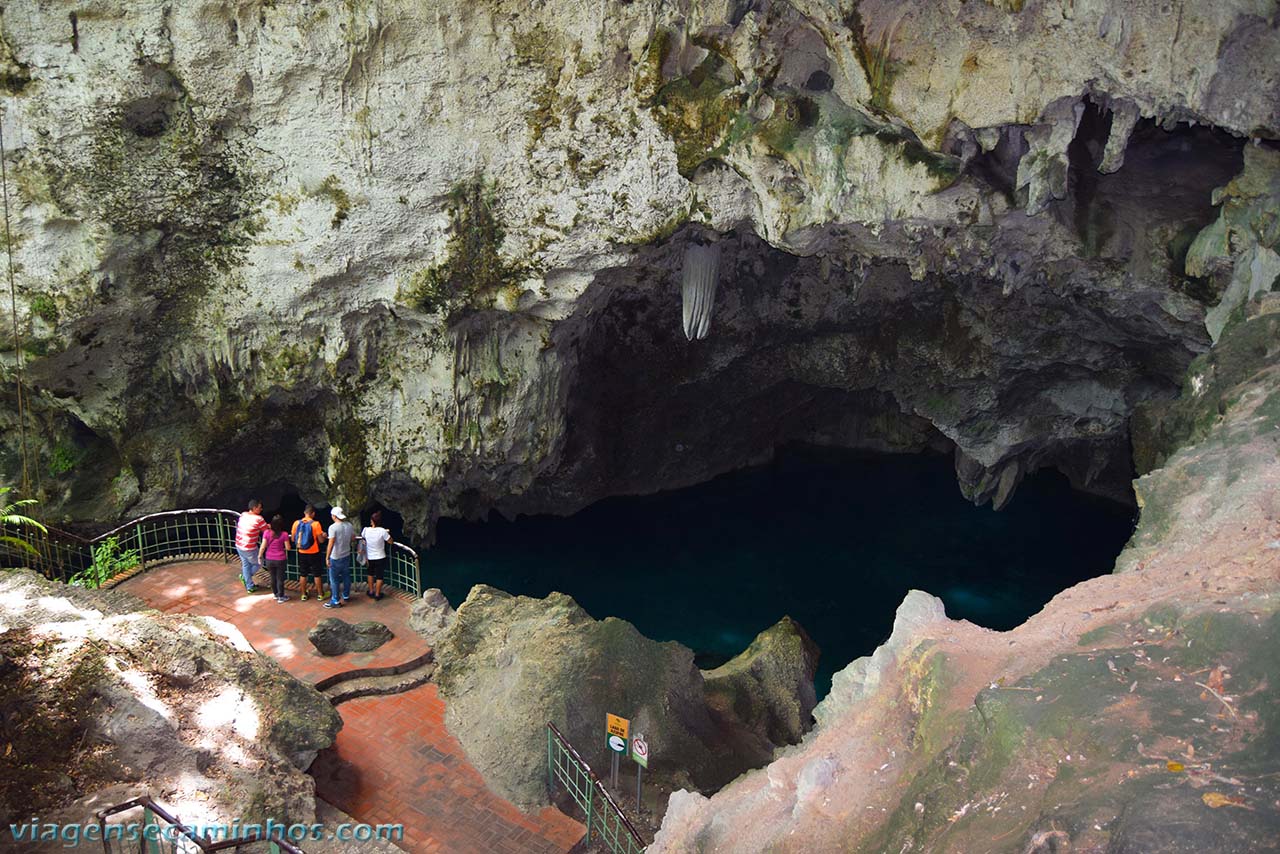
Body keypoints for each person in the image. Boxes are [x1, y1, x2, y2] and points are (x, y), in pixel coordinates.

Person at [291, 504, 328, 601]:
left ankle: (303, 594)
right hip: (314, 552)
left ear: (304, 513)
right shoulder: (316, 524)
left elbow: (293, 538)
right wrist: (323, 535)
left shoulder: (296, 523)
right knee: (317, 573)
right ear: (313, 514)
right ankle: (320, 594)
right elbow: (321, 541)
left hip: (301, 551)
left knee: (303, 574)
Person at [324, 506, 355, 609]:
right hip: (346, 554)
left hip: (336, 556)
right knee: (346, 576)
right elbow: (353, 538)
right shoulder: (349, 525)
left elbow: (331, 543)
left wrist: (327, 557)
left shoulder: (333, 527)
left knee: (334, 579)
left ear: (334, 516)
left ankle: (335, 600)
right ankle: (346, 595)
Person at [234, 499, 268, 593]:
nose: (261, 509)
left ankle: (249, 586)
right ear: (254, 508)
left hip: (239, 544)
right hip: (249, 547)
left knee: (246, 564)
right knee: (259, 563)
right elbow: (265, 531)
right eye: (260, 508)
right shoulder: (258, 519)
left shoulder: (243, 514)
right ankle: (246, 578)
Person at [361, 510, 393, 601]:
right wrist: (387, 532)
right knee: (379, 576)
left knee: (370, 574)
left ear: (372, 521)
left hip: (370, 557)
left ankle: (371, 591)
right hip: (380, 556)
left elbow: (363, 537)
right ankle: (377, 594)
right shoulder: (382, 531)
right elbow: (390, 541)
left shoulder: (366, 530)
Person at [259, 514, 291, 602]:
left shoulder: (267, 533)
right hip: (280, 559)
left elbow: (263, 546)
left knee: (272, 577)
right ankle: (281, 596)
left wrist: (260, 556)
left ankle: (276, 594)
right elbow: (288, 547)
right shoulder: (284, 534)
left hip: (269, 558)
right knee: (280, 578)